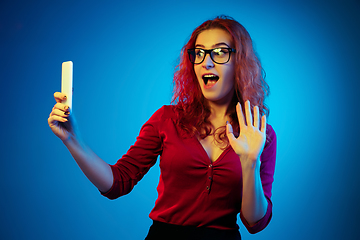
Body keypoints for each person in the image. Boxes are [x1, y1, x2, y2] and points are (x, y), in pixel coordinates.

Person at [48, 15, 277, 240]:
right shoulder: (167, 119)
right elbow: (118, 182)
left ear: (240, 62)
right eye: (199, 53)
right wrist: (72, 139)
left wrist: (250, 163)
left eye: (219, 52)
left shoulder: (260, 134)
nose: (206, 61)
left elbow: (254, 222)